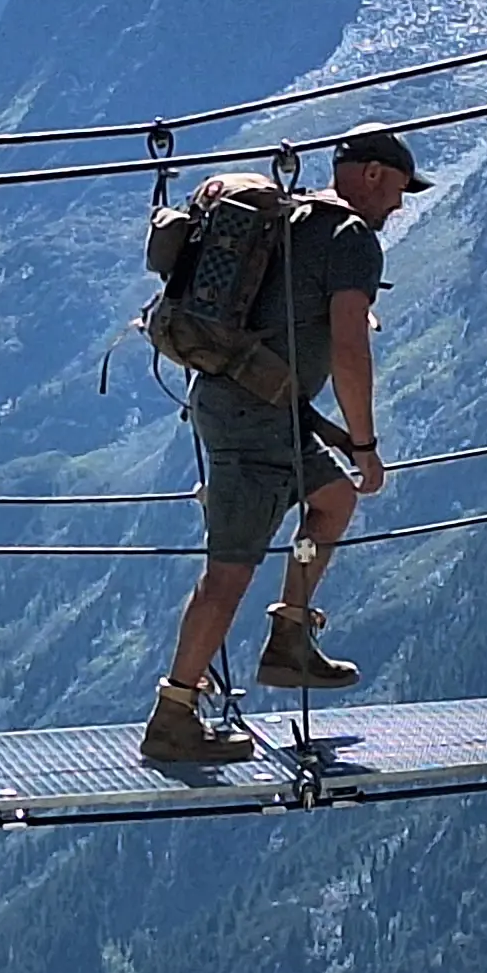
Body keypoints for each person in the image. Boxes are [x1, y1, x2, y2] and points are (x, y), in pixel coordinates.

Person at [139, 123, 425, 766]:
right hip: (255, 420)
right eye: (400, 189)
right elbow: (350, 347)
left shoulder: (294, 220)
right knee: (230, 569)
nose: (401, 205)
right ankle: (173, 716)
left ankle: (290, 636)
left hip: (255, 406)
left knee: (331, 501)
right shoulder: (350, 237)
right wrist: (365, 443)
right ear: (373, 174)